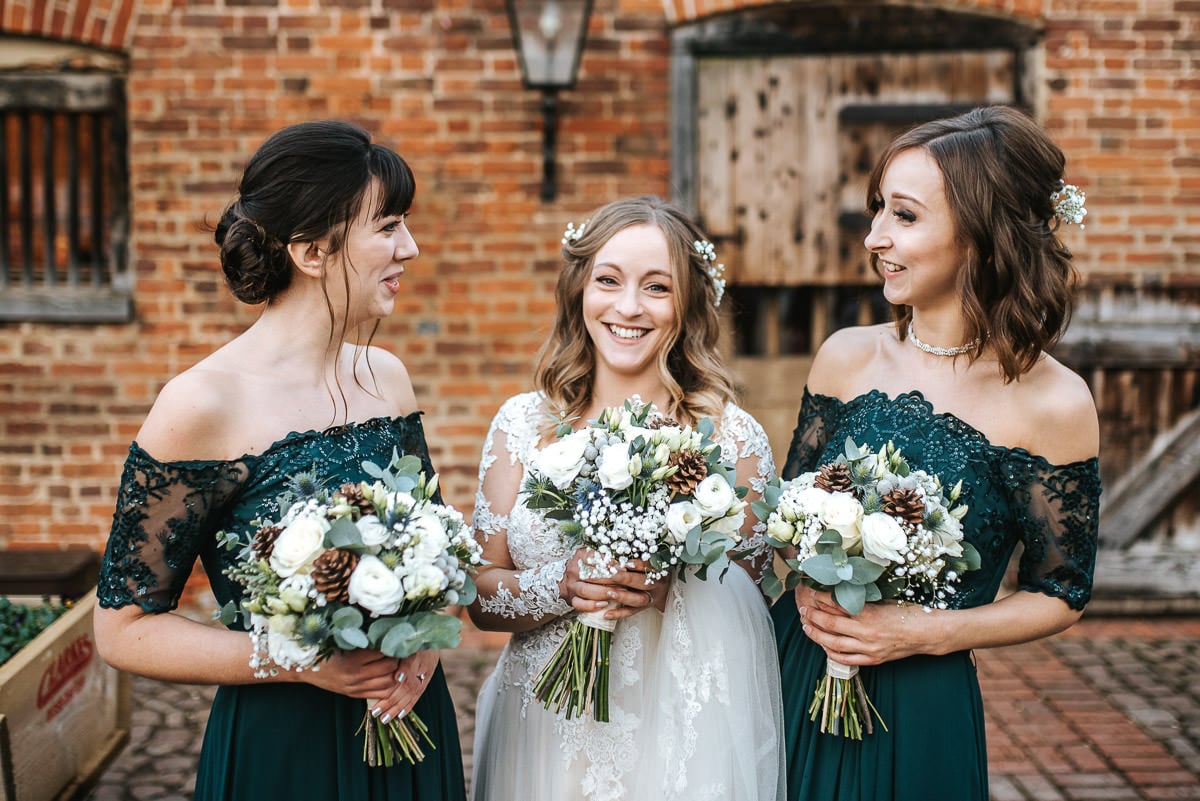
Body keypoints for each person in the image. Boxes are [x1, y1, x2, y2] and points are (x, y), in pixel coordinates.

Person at [93, 120, 466, 801]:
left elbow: (438, 554)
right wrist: (293, 658)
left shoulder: (387, 378)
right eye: (387, 227)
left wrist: (427, 643)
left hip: (414, 720)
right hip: (283, 743)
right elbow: (122, 629)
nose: (408, 248)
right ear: (311, 251)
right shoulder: (199, 404)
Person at [771, 105, 1101, 800]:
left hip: (921, 703)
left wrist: (922, 632)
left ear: (981, 235)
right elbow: (785, 522)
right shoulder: (845, 358)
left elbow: (1059, 593)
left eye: (905, 216)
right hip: (793, 669)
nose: (874, 237)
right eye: (877, 211)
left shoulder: (1055, 403)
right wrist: (815, 574)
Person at [467, 196, 785, 801]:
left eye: (657, 287)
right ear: (579, 289)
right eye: (608, 280)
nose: (628, 307)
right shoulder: (521, 426)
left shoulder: (731, 435)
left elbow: (754, 605)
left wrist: (674, 590)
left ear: (686, 304)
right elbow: (480, 595)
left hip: (677, 737)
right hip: (542, 725)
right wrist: (562, 586)